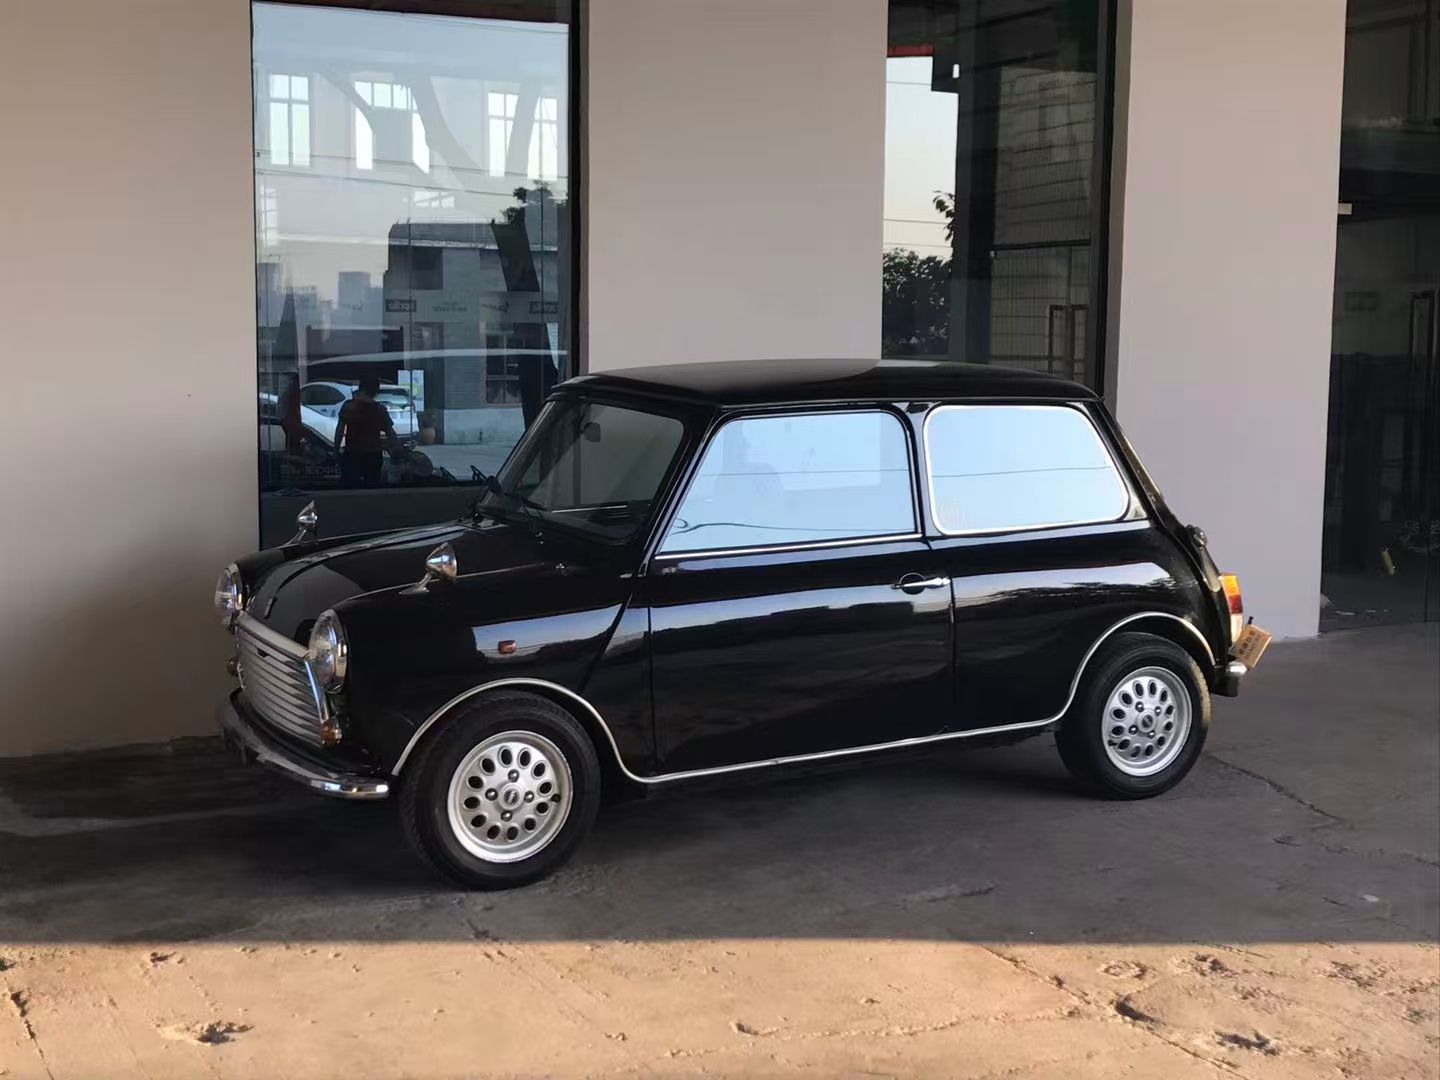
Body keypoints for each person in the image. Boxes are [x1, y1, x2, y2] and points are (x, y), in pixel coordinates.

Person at [335, 373, 402, 485]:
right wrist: (400, 451)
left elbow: (339, 432)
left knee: (350, 489)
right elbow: (390, 433)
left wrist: (336, 452)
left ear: (361, 387)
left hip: (352, 455)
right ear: (375, 390)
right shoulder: (379, 410)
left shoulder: (348, 407)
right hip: (373, 456)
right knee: (371, 488)